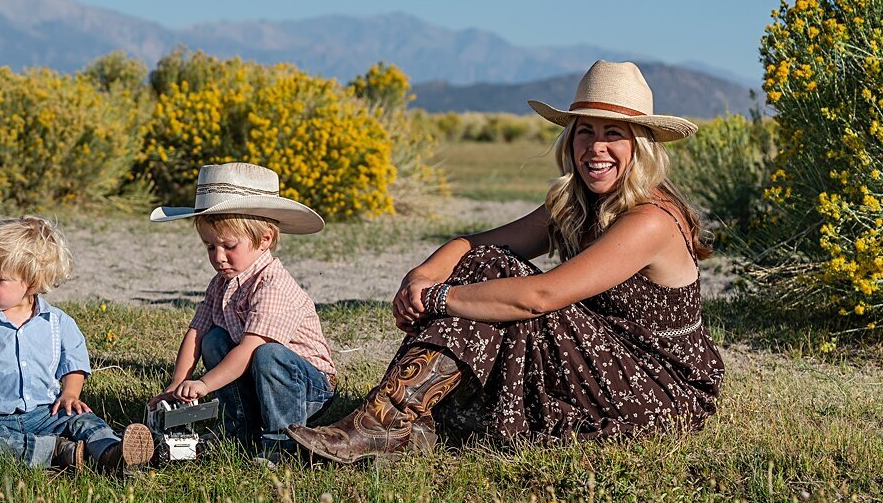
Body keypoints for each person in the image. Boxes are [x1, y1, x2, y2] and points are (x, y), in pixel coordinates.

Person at [288, 61, 726, 463]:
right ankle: (397, 419)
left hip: (659, 387)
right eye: (585, 131)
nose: (596, 147)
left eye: (614, 133)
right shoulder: (579, 204)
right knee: (490, 261)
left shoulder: (651, 219)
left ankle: (387, 420)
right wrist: (420, 275)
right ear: (569, 139)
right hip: (600, 360)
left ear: (641, 145)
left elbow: (540, 297)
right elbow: (475, 244)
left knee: (497, 274)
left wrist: (439, 299)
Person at [0, 216, 155, 474]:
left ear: (31, 283)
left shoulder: (57, 323)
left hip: (47, 412)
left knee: (84, 421)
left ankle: (112, 451)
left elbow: (73, 364)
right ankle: (59, 451)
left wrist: (70, 394)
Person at [148, 162, 336, 460]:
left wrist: (204, 383)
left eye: (228, 245)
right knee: (213, 339)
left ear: (264, 240)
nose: (218, 257)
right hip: (257, 375)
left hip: (305, 387)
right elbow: (197, 331)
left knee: (268, 354)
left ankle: (281, 443)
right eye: (210, 247)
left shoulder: (274, 285)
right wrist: (176, 383)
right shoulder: (221, 283)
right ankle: (242, 428)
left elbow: (251, 349)